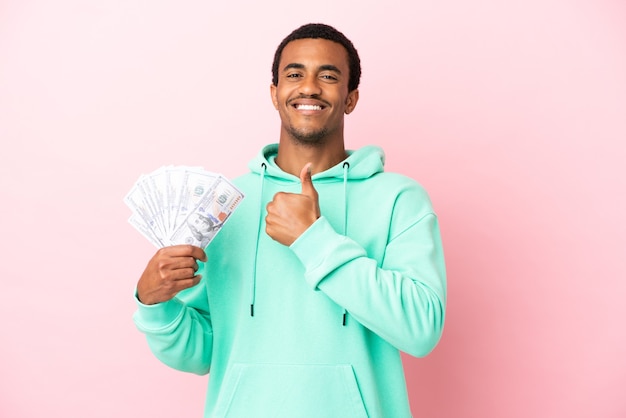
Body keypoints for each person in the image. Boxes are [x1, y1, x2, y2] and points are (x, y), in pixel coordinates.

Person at [133, 23, 447, 418]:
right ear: (275, 94)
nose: (309, 87)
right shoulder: (224, 204)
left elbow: (420, 329)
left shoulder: (399, 199)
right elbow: (203, 352)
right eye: (294, 74)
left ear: (350, 98)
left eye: (328, 76)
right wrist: (154, 305)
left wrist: (313, 238)